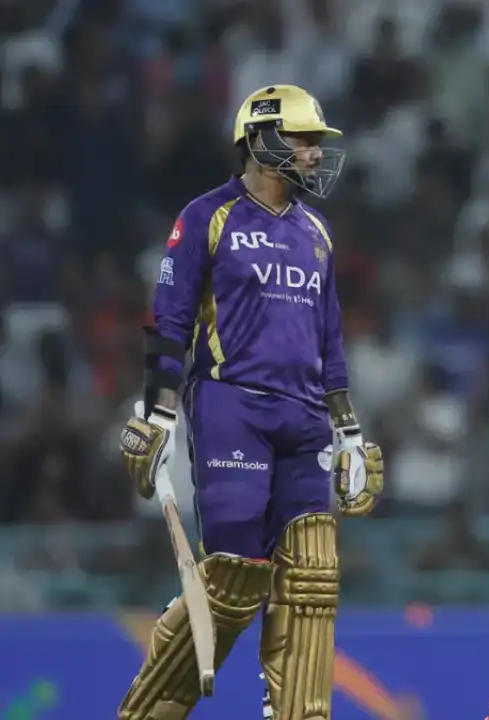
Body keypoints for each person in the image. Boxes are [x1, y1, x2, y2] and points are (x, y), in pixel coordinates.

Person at [117, 84, 385, 720]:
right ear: (260, 141)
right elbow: (170, 320)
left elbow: (330, 341)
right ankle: (151, 703)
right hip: (231, 404)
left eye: (319, 142)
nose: (317, 153)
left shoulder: (316, 231)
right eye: (303, 140)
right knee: (236, 575)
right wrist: (157, 411)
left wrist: (347, 430)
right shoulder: (208, 215)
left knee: (314, 577)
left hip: (304, 417)